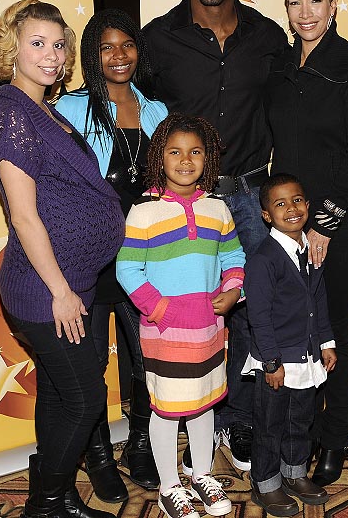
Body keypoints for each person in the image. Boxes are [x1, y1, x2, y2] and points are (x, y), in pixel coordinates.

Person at [142, 0, 288, 472]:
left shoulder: (269, 36)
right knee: (193, 311)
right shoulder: (156, 39)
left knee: (254, 311)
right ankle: (191, 418)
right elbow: (143, 119)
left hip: (252, 195)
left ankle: (242, 422)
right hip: (186, 202)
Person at [0, 0, 125, 518]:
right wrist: (61, 292)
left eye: (58, 44)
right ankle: (44, 505)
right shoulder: (13, 115)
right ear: (12, 48)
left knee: (62, 395)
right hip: (47, 292)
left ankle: (61, 498)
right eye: (36, 42)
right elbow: (23, 217)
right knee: (86, 398)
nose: (50, 54)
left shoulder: (43, 109)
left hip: (74, 284)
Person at [265, 0, 348, 486]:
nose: (306, 12)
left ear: (334, 5)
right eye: (295, 2)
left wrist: (322, 226)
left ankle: (336, 437)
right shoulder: (282, 66)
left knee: (336, 330)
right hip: (288, 223)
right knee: (296, 328)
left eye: (316, 1)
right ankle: (305, 426)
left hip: (339, 225)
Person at [56, 9, 168, 497]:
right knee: (92, 362)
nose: (119, 55)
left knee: (147, 357)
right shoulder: (70, 110)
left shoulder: (157, 111)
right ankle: (98, 454)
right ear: (90, 55)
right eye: (106, 47)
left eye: (127, 44)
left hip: (144, 254)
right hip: (90, 255)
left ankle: (140, 443)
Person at [116, 113, 246, 518]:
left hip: (209, 329)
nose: (185, 160)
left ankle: (202, 475)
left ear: (207, 159)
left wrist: (233, 289)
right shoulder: (144, 212)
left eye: (195, 152)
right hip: (166, 332)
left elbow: (233, 254)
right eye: (175, 152)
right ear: (160, 157)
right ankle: (170, 486)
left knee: (204, 403)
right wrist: (161, 310)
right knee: (168, 407)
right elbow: (127, 268)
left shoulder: (217, 209)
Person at [243, 174, 337, 517]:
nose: (291, 209)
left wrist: (326, 342)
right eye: (280, 204)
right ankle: (265, 483)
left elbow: (319, 300)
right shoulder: (264, 259)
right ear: (267, 214)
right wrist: (270, 362)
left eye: (297, 200)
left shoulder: (311, 251)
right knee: (270, 425)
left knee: (301, 419)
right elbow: (259, 316)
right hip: (278, 359)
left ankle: (294, 474)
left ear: (308, 206)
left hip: (308, 355)